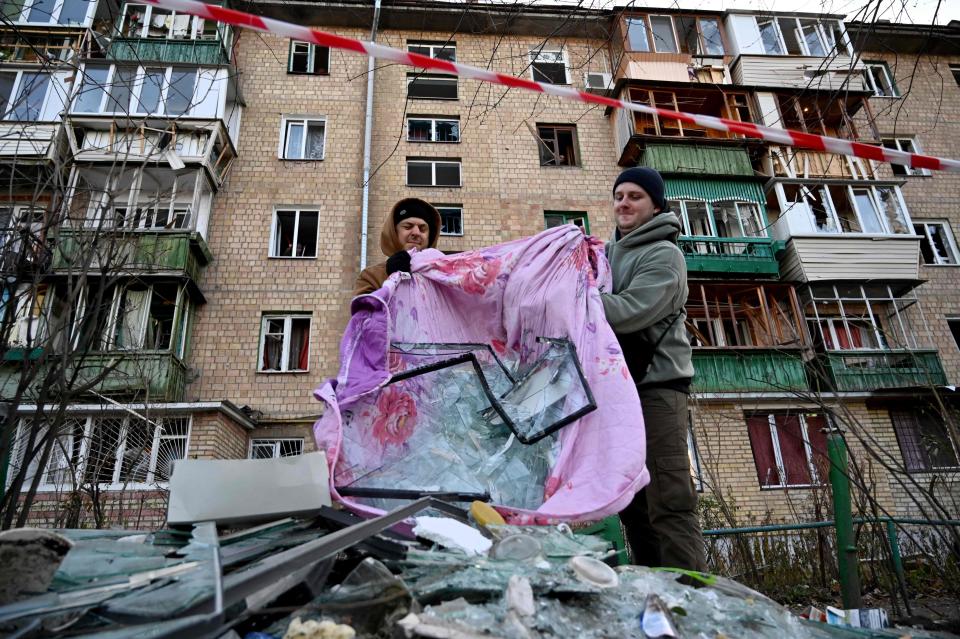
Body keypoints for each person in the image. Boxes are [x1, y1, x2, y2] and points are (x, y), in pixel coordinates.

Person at [600, 166, 707, 572]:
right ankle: (654, 597)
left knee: (669, 498)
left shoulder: (664, 254)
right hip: (619, 389)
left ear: (656, 204)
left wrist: (572, 298)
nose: (623, 203)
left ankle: (690, 602)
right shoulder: (607, 254)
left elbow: (629, 313)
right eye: (619, 196)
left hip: (658, 387)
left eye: (635, 196)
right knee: (634, 505)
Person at [354, 198, 442, 296]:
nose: (416, 233)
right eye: (408, 227)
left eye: (422, 229)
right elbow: (363, 308)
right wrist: (391, 278)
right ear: (394, 233)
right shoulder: (371, 276)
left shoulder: (443, 274)